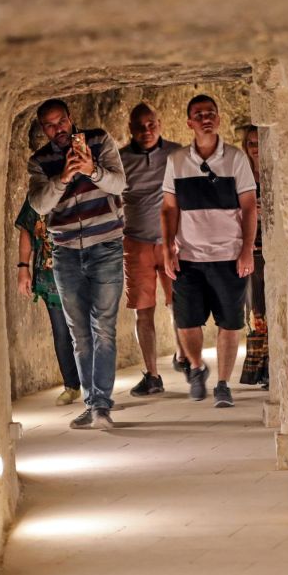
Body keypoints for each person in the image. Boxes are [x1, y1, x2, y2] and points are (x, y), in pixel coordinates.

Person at [27, 98, 127, 430]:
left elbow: (119, 183)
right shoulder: (40, 162)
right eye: (50, 126)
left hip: (106, 247)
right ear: (43, 128)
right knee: (79, 333)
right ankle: (90, 402)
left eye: (61, 122)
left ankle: (101, 405)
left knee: (104, 328)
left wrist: (91, 169)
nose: (58, 130)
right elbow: (40, 205)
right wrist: (64, 177)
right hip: (66, 252)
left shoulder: (98, 141)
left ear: (71, 119)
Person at [161, 94, 258, 407]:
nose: (206, 118)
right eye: (199, 114)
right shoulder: (176, 161)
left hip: (228, 257)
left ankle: (223, 384)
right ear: (189, 123)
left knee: (230, 324)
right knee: (186, 322)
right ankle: (197, 367)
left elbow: (249, 206)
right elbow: (168, 209)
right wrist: (168, 249)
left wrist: (246, 250)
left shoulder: (235, 159)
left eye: (211, 113)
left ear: (218, 119)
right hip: (189, 257)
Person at [118, 102, 187, 396]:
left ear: (159, 123)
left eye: (151, 124)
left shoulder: (177, 154)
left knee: (179, 303)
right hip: (135, 243)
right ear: (130, 129)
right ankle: (152, 375)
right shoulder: (119, 160)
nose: (146, 131)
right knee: (143, 311)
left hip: (172, 242)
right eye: (139, 126)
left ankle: (184, 356)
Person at [14, 193, 81, 406]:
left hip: (80, 271)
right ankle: (72, 385)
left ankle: (95, 386)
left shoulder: (79, 188)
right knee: (61, 332)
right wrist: (23, 268)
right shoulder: (37, 195)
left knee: (87, 330)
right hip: (49, 274)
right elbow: (26, 229)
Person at [237, 125, 269, 388]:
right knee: (258, 309)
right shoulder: (241, 176)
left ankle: (273, 365)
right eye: (250, 143)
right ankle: (263, 369)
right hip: (253, 249)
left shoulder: (274, 173)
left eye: (259, 142)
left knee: (274, 307)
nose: (256, 148)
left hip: (274, 246)